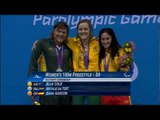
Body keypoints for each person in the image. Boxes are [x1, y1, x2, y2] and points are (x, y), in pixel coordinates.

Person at [28, 21, 72, 105]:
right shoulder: (42, 44)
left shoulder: (69, 47)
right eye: (58, 31)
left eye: (64, 32)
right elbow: (33, 65)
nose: (61, 34)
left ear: (67, 34)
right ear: (53, 31)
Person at [67, 19, 101, 105]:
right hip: (78, 82)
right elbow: (58, 38)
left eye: (85, 29)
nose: (83, 31)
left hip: (94, 82)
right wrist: (40, 43)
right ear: (77, 31)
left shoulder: (98, 42)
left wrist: (127, 52)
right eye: (80, 29)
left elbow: (112, 45)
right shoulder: (72, 42)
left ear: (90, 30)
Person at [98, 28, 131, 105]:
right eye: (103, 39)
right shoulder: (100, 54)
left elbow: (125, 71)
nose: (105, 41)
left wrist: (123, 66)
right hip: (105, 92)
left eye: (107, 38)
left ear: (112, 38)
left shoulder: (121, 52)